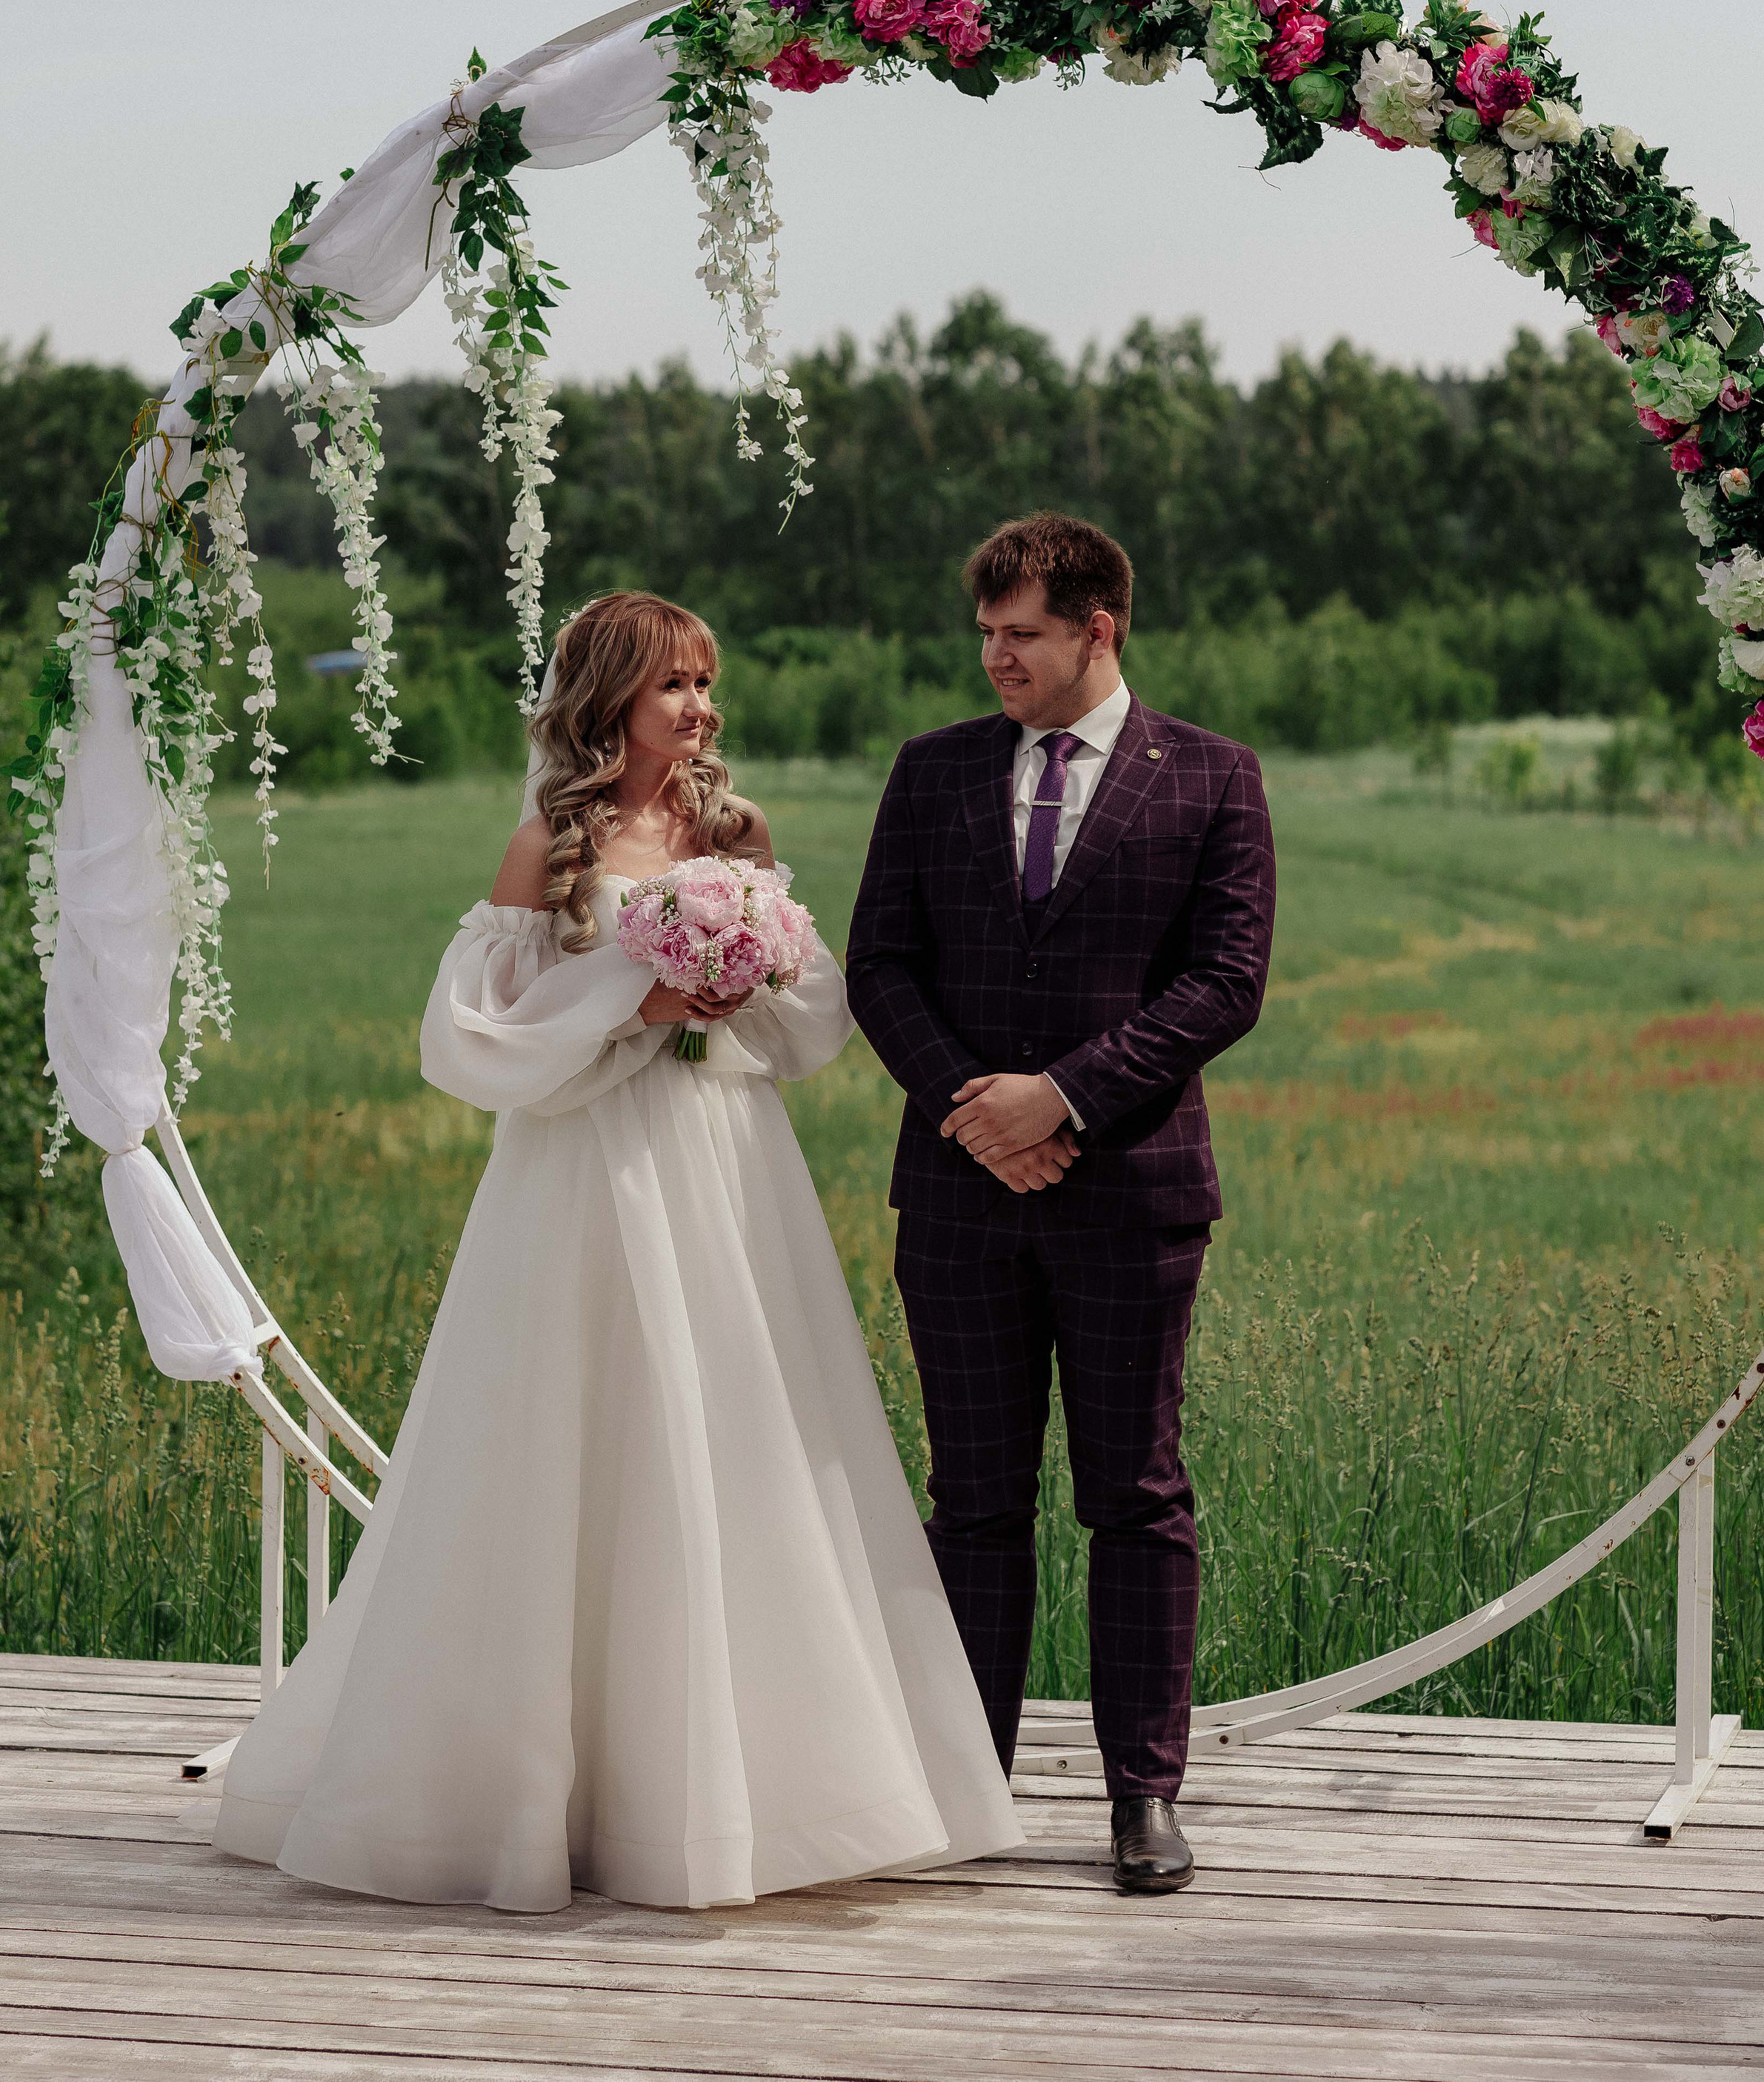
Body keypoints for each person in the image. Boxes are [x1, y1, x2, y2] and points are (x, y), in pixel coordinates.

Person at [214, 591, 1021, 1912]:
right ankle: (545, 1796)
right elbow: (474, 1035)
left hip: (722, 1165)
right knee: (574, 1438)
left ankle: (750, 1789)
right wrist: (634, 999)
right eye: (672, 690)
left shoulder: (733, 833)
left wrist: (740, 977)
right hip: (588, 1171)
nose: (700, 711)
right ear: (608, 703)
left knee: (737, 1435)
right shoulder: (553, 844)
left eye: (707, 685)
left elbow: (815, 1020)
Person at [846, 514, 1275, 1895]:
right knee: (971, 1502)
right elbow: (879, 966)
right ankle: (969, 1789)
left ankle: (1143, 1797)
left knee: (1135, 1498)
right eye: (985, 632)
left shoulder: (1213, 778)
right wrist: (983, 1111)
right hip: (960, 1199)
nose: (996, 657)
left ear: (1102, 627)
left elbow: (1224, 984)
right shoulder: (932, 773)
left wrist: (1066, 1099)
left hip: (1132, 1198)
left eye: (1020, 632)